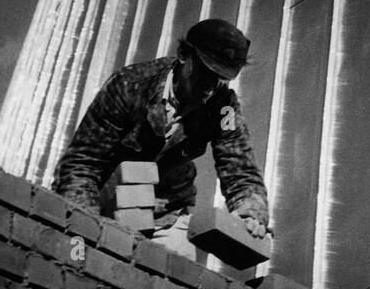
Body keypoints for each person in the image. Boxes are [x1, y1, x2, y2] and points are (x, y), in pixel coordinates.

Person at [52, 18, 269, 242]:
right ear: (184, 54)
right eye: (205, 72)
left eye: (221, 78)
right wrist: (83, 223)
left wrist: (250, 213)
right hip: (105, 202)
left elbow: (239, 168)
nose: (211, 86)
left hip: (165, 214)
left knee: (174, 271)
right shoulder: (129, 85)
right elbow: (83, 163)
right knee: (81, 259)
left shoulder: (223, 107)